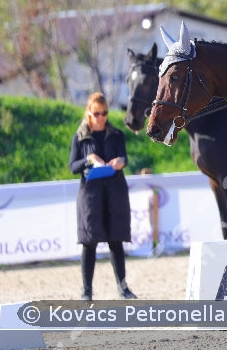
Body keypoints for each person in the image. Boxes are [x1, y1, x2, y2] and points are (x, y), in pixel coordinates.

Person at [69, 92, 137, 300]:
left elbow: (124, 157)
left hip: (115, 191)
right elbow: (72, 166)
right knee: (89, 242)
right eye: (96, 113)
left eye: (104, 113)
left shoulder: (116, 135)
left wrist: (120, 163)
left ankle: (123, 288)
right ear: (89, 112)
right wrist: (89, 160)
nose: (101, 117)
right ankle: (86, 291)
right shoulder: (80, 137)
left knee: (116, 241)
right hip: (90, 195)